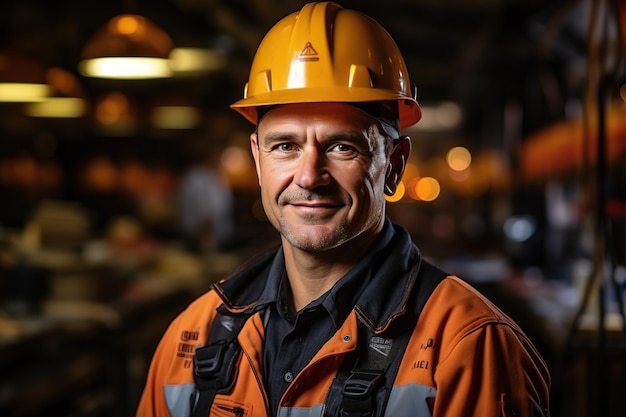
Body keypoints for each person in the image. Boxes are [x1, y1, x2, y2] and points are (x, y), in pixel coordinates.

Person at [136, 2, 550, 416]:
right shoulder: (195, 336)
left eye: (341, 146)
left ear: (394, 165)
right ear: (258, 160)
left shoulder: (467, 347)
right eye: (285, 146)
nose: (309, 176)